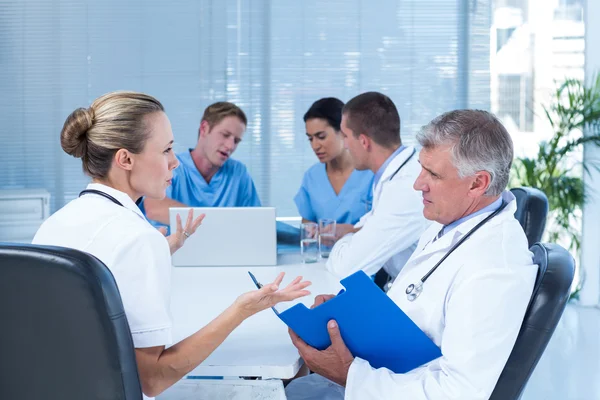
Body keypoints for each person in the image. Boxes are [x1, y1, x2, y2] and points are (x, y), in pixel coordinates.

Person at [32, 91, 311, 400]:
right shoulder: (138, 238)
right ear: (125, 159)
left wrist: (163, 248)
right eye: (165, 150)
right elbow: (154, 378)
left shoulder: (53, 225)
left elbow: (96, 279)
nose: (175, 162)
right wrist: (242, 310)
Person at [285, 109, 537, 400]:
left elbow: (460, 392)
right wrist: (353, 316)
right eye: (421, 168)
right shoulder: (449, 221)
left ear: (478, 183)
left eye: (433, 174)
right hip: (385, 374)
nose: (418, 184)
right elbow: (413, 309)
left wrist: (350, 375)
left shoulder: (495, 266)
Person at [325, 92, 428, 280]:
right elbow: (372, 220)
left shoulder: (406, 189)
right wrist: (357, 233)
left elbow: (344, 268)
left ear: (364, 141)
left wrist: (345, 239)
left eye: (346, 136)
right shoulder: (396, 174)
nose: (345, 144)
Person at [141, 101, 261, 228]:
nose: (230, 146)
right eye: (225, 135)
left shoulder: (238, 173)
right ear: (204, 128)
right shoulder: (173, 166)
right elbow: (154, 208)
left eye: (236, 141)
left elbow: (256, 221)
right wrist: (216, 225)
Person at [294, 97, 373, 229]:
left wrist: (350, 231)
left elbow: (385, 228)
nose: (315, 146)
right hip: (323, 250)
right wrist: (311, 231)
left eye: (321, 137)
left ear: (343, 131)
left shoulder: (370, 173)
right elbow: (307, 225)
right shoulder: (312, 176)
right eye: (310, 138)